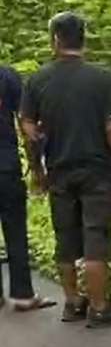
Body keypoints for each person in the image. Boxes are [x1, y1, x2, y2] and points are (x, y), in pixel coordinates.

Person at [20, 12, 111, 327]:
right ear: (83, 38)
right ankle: (99, 306)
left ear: (56, 39)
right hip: (97, 170)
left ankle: (73, 302)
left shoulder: (38, 80)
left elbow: (28, 125)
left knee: (65, 236)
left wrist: (36, 167)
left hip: (58, 169)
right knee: (97, 235)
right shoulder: (104, 79)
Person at [0, 66, 56, 311]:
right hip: (5, 165)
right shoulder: (6, 76)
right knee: (15, 228)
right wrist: (36, 167)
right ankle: (23, 294)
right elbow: (26, 122)